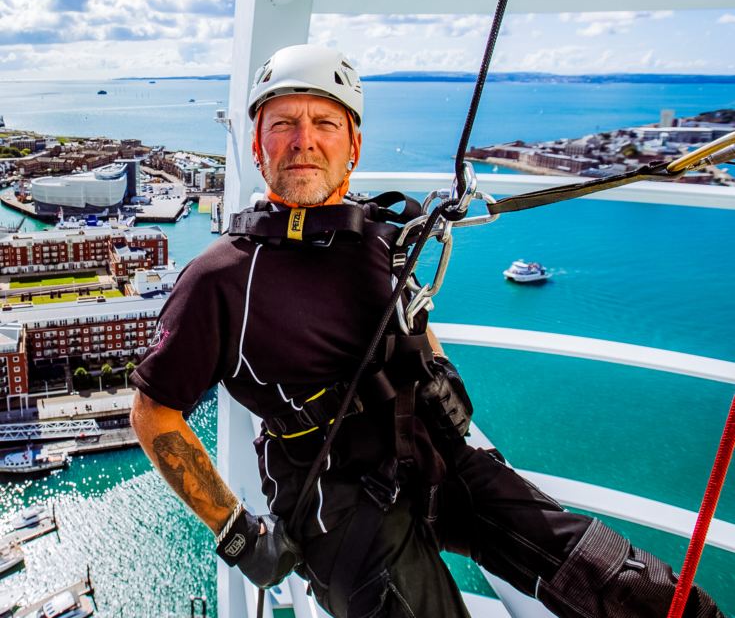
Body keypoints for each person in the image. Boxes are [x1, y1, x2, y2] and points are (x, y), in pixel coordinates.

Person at [130, 44, 724, 618]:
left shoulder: (384, 240)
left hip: (434, 455)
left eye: (324, 123)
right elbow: (153, 412)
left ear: (353, 146)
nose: (303, 140)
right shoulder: (221, 278)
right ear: (257, 147)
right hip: (335, 503)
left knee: (623, 583)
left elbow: (412, 322)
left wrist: (441, 376)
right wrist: (237, 534)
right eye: (282, 123)